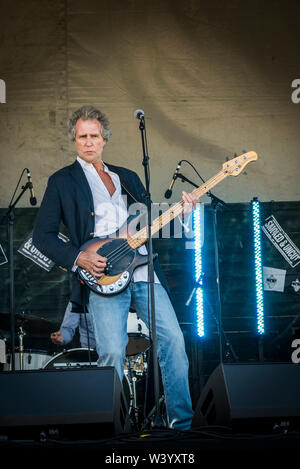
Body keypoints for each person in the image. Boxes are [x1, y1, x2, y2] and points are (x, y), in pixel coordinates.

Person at [32, 105, 199, 431]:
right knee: (110, 353)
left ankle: (182, 427)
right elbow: (43, 237)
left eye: (94, 136)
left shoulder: (129, 178)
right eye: (82, 137)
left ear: (105, 139)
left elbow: (150, 224)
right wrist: (78, 258)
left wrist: (183, 215)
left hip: (143, 271)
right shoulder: (62, 181)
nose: (89, 142)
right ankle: (113, 431)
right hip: (101, 276)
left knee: (175, 342)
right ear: (75, 140)